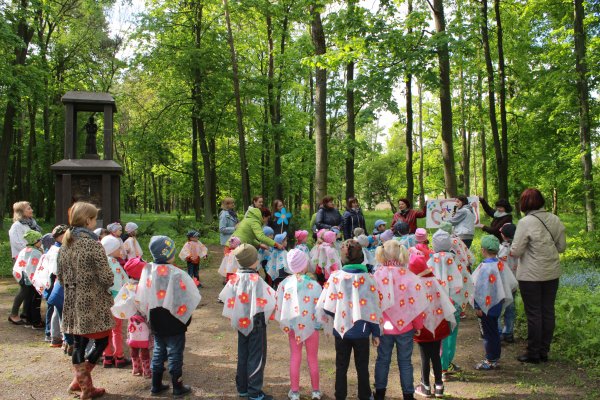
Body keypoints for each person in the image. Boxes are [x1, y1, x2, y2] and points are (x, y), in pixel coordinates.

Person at [57, 202, 114, 399]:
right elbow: (107, 278)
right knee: (102, 340)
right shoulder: (93, 245)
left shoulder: (65, 244)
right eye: (94, 217)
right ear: (88, 220)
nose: (95, 221)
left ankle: (80, 382)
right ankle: (86, 388)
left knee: (79, 344)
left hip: (72, 301)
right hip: (93, 301)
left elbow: (60, 276)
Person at [316, 239, 382, 400]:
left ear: (342, 259)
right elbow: (374, 307)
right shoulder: (369, 278)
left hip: (341, 331)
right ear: (362, 258)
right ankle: (365, 395)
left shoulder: (335, 277)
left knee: (341, 366)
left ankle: (340, 395)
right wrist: (376, 333)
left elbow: (326, 306)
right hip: (362, 332)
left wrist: (338, 315)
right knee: (362, 367)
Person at [136, 235, 201, 396]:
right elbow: (189, 296)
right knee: (175, 352)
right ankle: (177, 387)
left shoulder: (149, 270)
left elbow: (142, 294)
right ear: (167, 254)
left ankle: (156, 385)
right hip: (175, 319)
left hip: (156, 318)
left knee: (158, 350)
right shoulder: (176, 274)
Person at [511, 188, 566, 364]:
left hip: (530, 275)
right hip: (551, 273)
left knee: (534, 313)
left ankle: (533, 352)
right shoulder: (555, 219)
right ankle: (544, 351)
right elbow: (561, 247)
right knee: (548, 311)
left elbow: (516, 250)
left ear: (524, 203)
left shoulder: (525, 222)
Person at [219, 244, 277, 400]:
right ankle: (254, 391)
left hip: (240, 320)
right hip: (256, 321)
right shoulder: (256, 279)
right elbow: (271, 298)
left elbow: (225, 297)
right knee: (257, 355)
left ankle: (243, 388)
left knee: (243, 353)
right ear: (254, 261)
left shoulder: (234, 278)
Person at [373, 241, 427, 400]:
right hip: (406, 326)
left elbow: (372, 303)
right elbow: (416, 303)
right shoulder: (409, 276)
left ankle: (380, 393)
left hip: (384, 327)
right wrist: (418, 325)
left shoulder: (376, 275)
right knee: (405, 362)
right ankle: (408, 394)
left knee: (382, 360)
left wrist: (374, 327)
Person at [275, 249, 323, 400]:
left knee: (295, 357)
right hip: (312, 328)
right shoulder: (314, 285)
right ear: (303, 266)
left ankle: (294, 392)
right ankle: (315, 391)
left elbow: (280, 304)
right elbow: (320, 306)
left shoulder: (284, 284)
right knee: (312, 358)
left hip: (294, 328)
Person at [427, 230, 473, 381]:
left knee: (437, 335)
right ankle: (445, 364)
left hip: (436, 306)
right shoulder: (456, 261)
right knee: (451, 335)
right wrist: (462, 302)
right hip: (454, 305)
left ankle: (439, 367)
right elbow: (466, 281)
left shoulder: (430, 261)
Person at [409, 254, 456, 399]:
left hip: (422, 327)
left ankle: (425, 386)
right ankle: (439, 387)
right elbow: (445, 300)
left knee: (425, 357)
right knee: (436, 355)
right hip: (438, 324)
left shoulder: (415, 283)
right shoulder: (434, 281)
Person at [471, 235, 518, 370]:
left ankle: (491, 359)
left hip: (486, 306)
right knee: (494, 331)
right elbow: (511, 283)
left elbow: (478, 288)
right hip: (497, 302)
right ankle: (495, 357)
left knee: (488, 333)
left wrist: (477, 306)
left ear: (483, 250)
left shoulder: (484, 267)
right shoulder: (500, 264)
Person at [111, 257, 152, 378]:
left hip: (132, 321)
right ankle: (147, 371)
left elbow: (120, 302)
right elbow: (147, 304)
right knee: (144, 346)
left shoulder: (127, 286)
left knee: (134, 345)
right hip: (144, 321)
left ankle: (136, 368)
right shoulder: (144, 287)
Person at [8, 201, 42, 325]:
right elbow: (17, 243)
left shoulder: (32, 224)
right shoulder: (16, 226)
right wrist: (33, 247)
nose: (31, 210)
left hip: (33, 259)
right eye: (29, 208)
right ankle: (13, 314)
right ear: (21, 212)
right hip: (22, 260)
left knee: (31, 287)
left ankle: (26, 313)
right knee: (25, 288)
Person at [100, 235, 129, 369]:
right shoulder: (113, 263)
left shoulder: (100, 262)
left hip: (102, 300)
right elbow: (122, 281)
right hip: (115, 301)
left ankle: (107, 357)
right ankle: (119, 356)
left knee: (106, 330)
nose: (121, 250)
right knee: (116, 330)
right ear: (111, 249)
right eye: (118, 248)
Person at [11, 230, 44, 329]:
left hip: (22, 276)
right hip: (28, 279)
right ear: (35, 241)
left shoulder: (26, 249)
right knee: (25, 295)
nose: (41, 242)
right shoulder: (35, 252)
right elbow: (36, 267)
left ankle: (26, 315)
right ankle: (15, 315)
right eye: (40, 240)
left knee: (27, 296)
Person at [497, 223, 518, 343]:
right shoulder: (517, 248)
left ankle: (499, 332)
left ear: (503, 236)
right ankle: (509, 332)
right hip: (514, 283)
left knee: (498, 308)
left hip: (501, 283)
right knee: (510, 307)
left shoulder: (501, 249)